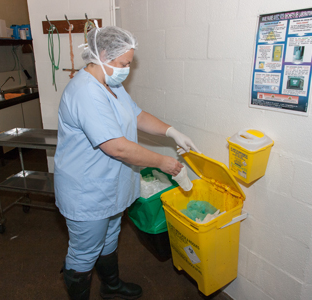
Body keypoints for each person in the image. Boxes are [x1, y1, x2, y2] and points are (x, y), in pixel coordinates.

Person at [54, 25, 200, 300]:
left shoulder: (111, 85)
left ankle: (110, 287)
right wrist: (163, 163)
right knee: (84, 251)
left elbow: (137, 116)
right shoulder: (86, 91)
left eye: (129, 64)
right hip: (87, 190)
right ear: (103, 54)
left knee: (109, 237)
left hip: (110, 184)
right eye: (123, 63)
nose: (127, 70)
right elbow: (118, 147)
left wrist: (171, 131)